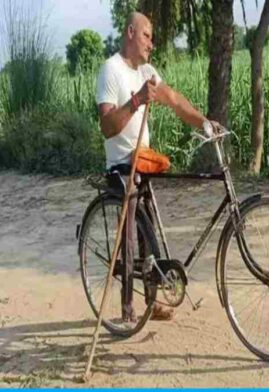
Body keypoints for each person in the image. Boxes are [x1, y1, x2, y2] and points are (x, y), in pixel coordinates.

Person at [96, 12, 218, 322]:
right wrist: (137, 100)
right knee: (131, 237)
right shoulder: (111, 70)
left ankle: (151, 301)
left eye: (152, 37)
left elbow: (175, 100)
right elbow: (107, 126)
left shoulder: (148, 71)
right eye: (147, 35)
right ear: (130, 32)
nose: (152, 42)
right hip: (122, 167)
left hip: (144, 162)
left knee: (149, 235)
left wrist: (204, 122)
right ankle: (127, 313)